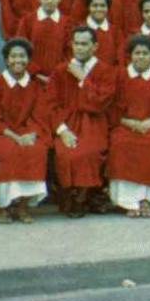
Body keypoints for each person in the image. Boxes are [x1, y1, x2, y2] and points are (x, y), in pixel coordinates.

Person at [48, 26, 117, 218]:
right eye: (76, 43)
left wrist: (83, 78)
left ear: (95, 46)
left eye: (84, 44)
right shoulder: (61, 71)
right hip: (67, 122)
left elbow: (101, 102)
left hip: (94, 121)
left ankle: (81, 198)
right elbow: (50, 104)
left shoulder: (105, 71)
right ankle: (74, 195)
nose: (79, 48)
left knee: (90, 152)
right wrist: (62, 130)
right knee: (66, 153)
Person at [107, 35, 150, 218]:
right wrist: (129, 122)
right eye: (137, 53)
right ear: (130, 55)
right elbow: (111, 106)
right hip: (124, 125)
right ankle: (128, 201)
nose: (140, 57)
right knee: (121, 145)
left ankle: (146, 199)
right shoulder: (120, 75)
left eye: (145, 53)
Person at [0, 38, 50, 223]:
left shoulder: (35, 85)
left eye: (22, 56)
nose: (17, 60)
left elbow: (40, 116)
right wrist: (15, 137)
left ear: (28, 60)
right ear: (6, 59)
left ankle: (23, 207)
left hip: (28, 132)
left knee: (37, 150)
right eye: (13, 56)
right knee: (9, 152)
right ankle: (2, 207)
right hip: (2, 133)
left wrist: (31, 134)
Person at [13, 0, 70, 80]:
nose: (50, 1)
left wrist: (57, 75)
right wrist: (35, 74)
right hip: (31, 79)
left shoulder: (67, 23)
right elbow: (20, 51)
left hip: (59, 79)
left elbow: (69, 53)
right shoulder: (27, 21)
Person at [81, 0, 123, 66]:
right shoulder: (79, 30)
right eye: (95, 5)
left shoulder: (116, 32)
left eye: (102, 6)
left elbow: (120, 60)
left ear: (108, 7)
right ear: (88, 7)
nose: (99, 9)